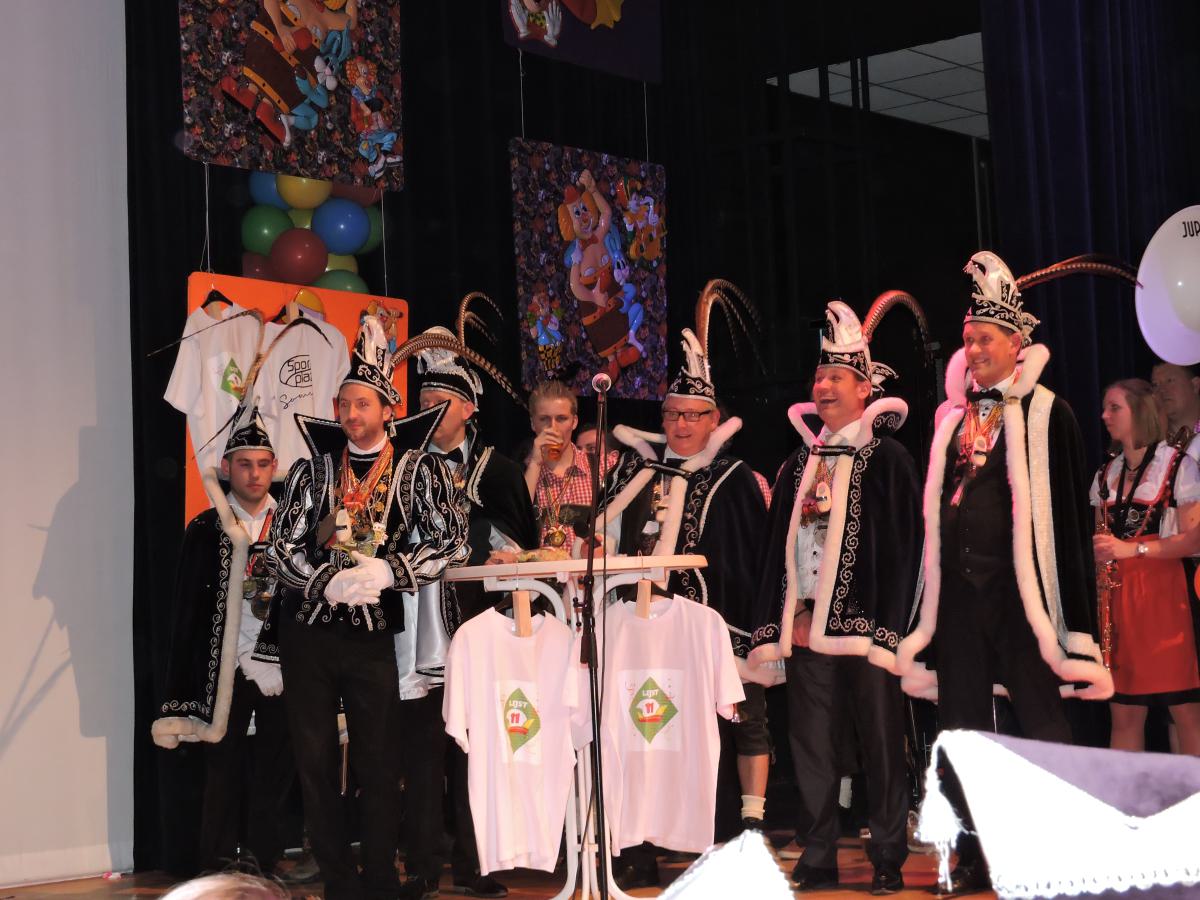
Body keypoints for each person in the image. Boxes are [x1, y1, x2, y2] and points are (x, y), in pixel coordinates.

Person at [896, 251, 1111, 896]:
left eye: (985, 338)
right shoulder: (952, 419)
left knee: (1043, 720)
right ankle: (975, 855)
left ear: (1017, 344)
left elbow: (1067, 516)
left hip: (1023, 598)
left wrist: (1070, 612)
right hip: (961, 599)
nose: (974, 349)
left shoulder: (1049, 412)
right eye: (968, 340)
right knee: (961, 727)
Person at [256, 316, 469, 900]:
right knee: (316, 764)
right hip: (309, 635)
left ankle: (378, 878)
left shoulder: (416, 469)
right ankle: (338, 883)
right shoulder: (313, 470)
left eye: (362, 404)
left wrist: (390, 570)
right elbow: (279, 549)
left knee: (378, 764)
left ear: (387, 409)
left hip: (374, 637)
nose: (351, 414)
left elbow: (452, 541)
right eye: (344, 404)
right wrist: (324, 581)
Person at [597, 299, 769, 890]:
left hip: (707, 629)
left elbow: (746, 560)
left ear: (713, 418)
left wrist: (744, 634)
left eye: (694, 416)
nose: (682, 426)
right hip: (640, 631)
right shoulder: (633, 472)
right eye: (673, 414)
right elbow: (607, 536)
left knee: (721, 730)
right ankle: (639, 844)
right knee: (642, 731)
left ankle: (726, 835)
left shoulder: (733, 478)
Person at [750, 301, 921, 895]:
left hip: (869, 631)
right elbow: (784, 548)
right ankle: (818, 852)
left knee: (881, 743)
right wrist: (793, 612)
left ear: (864, 388)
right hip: (809, 629)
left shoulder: (889, 459)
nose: (823, 387)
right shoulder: (799, 462)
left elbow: (907, 548)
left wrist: (890, 630)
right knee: (812, 745)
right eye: (819, 377)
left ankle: (888, 855)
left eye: (836, 378)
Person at [392, 327, 538, 900]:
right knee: (420, 752)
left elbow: (526, 549)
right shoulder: (400, 467)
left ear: (469, 409)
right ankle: (423, 865)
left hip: (480, 631)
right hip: (416, 634)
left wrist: (501, 552)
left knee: (475, 751)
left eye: (440, 401)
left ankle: (478, 864)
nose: (429, 409)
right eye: (423, 400)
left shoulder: (498, 472)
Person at [154, 401, 294, 877]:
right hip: (227, 668)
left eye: (262, 464)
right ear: (227, 468)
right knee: (222, 768)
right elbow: (188, 614)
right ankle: (215, 864)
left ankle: (265, 861)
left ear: (274, 467)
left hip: (279, 666)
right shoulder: (205, 528)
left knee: (275, 768)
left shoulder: (292, 524)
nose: (254, 474)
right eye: (244, 464)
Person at [1090, 379, 1200, 754]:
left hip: (1167, 601)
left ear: (1139, 411)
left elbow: (1193, 540)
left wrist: (1131, 550)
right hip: (1120, 603)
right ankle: (1126, 793)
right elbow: (1101, 540)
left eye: (1114, 407)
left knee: (1186, 712)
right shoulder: (1105, 475)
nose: (1104, 416)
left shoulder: (1177, 465)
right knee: (1124, 714)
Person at [523, 380, 615, 552]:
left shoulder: (603, 466)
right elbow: (516, 524)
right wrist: (535, 464)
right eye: (544, 419)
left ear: (574, 422)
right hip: (541, 569)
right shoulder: (521, 474)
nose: (553, 428)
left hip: (588, 568)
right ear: (533, 423)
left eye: (561, 418)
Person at [1151, 361, 1200, 451]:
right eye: (1155, 384)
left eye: (1169, 381)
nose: (1161, 390)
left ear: (1195, 385)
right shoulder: (1152, 448)